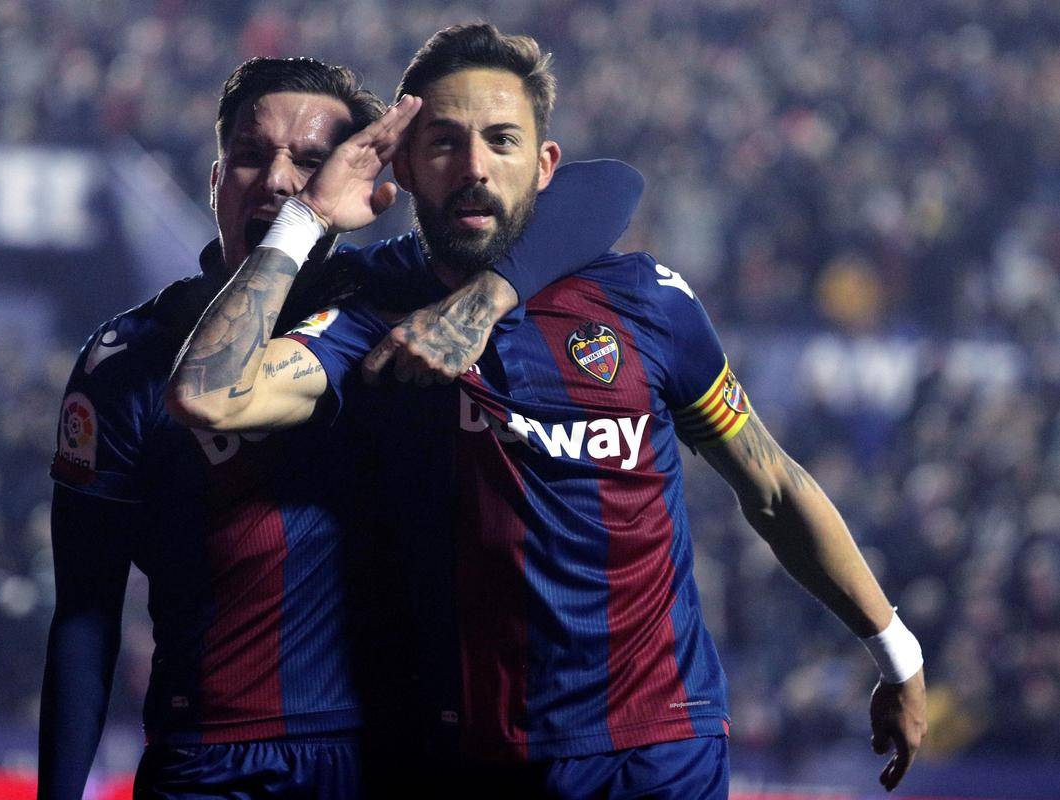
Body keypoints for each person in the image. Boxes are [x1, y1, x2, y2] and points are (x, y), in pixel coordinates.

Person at [167, 23, 929, 799]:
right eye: (444, 144)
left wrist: (897, 655)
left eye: (502, 141)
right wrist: (306, 219)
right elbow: (206, 392)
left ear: (544, 166)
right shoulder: (371, 307)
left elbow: (771, 486)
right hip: (474, 756)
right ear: (404, 165)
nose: (474, 168)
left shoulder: (646, 301)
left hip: (658, 749)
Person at [40, 54, 642, 799]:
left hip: (394, 756)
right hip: (213, 762)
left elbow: (610, 186)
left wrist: (490, 294)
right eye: (251, 155)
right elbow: (85, 612)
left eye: (311, 161)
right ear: (216, 178)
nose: (278, 180)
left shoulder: (393, 292)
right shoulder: (127, 359)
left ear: (366, 184)